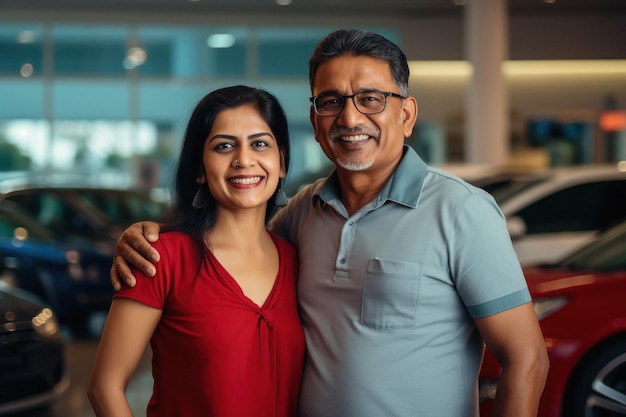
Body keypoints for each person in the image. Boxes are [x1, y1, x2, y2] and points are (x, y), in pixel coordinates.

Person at [110, 30, 549, 417]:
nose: (351, 118)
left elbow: (526, 358)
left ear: (407, 114)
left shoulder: (462, 210)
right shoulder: (303, 212)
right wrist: (146, 235)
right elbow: (233, 242)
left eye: (371, 99)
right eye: (331, 101)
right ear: (316, 125)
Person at [88, 85, 305, 417]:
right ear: (200, 169)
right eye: (224, 146)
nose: (244, 159)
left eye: (260, 143)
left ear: (282, 162)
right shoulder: (160, 258)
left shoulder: (299, 260)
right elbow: (105, 388)